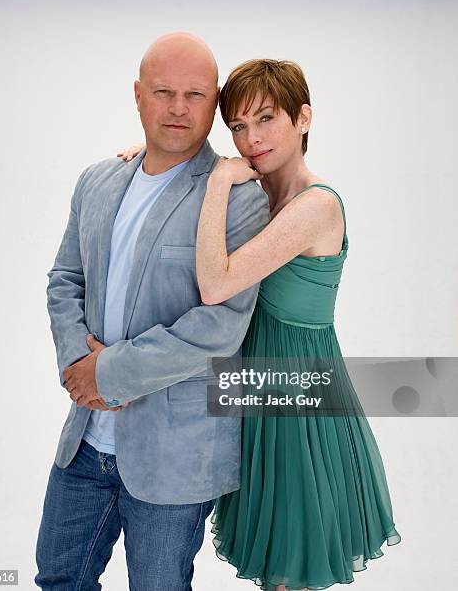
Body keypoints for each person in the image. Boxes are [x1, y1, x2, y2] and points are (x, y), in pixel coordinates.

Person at [119, 59, 401, 590]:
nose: (251, 139)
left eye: (266, 119)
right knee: (272, 559)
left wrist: (219, 179)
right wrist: (162, 157)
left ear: (304, 119)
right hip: (253, 389)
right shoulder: (261, 189)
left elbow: (215, 284)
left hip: (299, 400)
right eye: (239, 127)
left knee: (290, 568)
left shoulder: (315, 205)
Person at [34, 33, 270, 591]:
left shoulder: (238, 198)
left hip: (177, 454)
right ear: (137, 95)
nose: (179, 108)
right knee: (59, 578)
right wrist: (77, 364)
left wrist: (109, 373)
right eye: (164, 92)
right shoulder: (97, 180)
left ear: (215, 103)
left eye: (195, 94)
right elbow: (65, 279)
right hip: (86, 442)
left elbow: (220, 326)